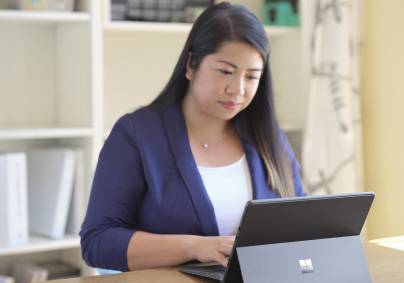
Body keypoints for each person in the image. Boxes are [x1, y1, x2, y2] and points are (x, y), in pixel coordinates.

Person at [80, 2, 305, 273]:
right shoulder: (137, 134)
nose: (238, 90)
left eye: (252, 76)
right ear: (191, 64)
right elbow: (97, 242)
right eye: (225, 71)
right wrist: (195, 247)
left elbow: (301, 227)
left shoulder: (268, 136)